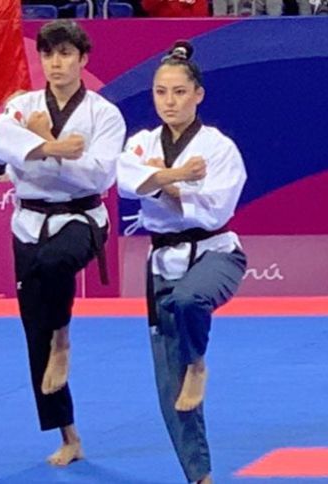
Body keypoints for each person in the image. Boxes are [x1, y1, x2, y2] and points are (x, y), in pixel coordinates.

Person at [0, 20, 126, 466]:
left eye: (66, 54)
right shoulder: (22, 105)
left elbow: (99, 175)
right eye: (48, 54)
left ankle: (63, 338)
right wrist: (55, 148)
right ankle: (70, 437)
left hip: (83, 218)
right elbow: (0, 146)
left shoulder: (104, 114)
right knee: (35, 333)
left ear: (83, 59)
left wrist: (40, 143)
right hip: (29, 221)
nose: (56, 63)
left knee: (55, 262)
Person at [117, 41, 247, 484]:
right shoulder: (141, 142)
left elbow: (214, 208)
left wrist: (158, 181)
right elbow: (126, 182)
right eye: (160, 92)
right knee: (169, 389)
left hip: (217, 252)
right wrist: (178, 178)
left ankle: (198, 363)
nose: (169, 101)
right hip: (162, 262)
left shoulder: (219, 147)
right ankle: (200, 477)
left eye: (178, 92)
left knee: (190, 299)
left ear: (198, 94)